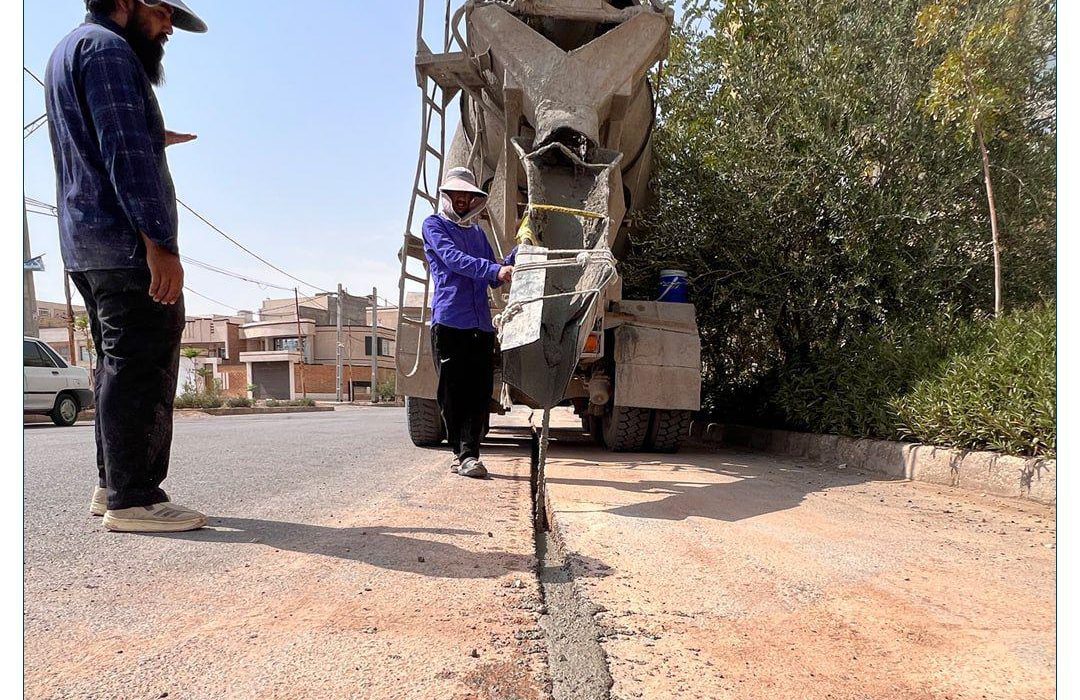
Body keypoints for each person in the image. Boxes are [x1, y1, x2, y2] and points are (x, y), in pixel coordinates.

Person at [45, 0, 209, 532]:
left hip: (86, 242)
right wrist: (160, 243)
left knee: (116, 362)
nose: (167, 27)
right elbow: (121, 151)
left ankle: (111, 484)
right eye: (161, 12)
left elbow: (101, 136)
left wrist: (153, 136)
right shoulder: (110, 50)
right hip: (124, 245)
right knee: (143, 361)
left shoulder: (69, 49)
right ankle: (134, 499)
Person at [423, 167, 515, 479]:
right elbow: (453, 260)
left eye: (468, 196)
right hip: (450, 322)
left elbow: (495, 273)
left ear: (475, 200)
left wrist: (517, 256)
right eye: (456, 195)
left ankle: (469, 454)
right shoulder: (433, 226)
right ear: (446, 197)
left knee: (479, 393)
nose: (462, 200)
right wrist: (495, 271)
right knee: (452, 392)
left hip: (482, 327)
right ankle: (462, 453)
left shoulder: (478, 234)